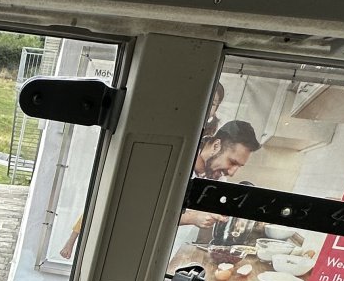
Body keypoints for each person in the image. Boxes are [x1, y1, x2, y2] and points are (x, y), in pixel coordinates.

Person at [56, 81, 232, 261]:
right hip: (142, 192)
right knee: (101, 205)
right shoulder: (168, 126)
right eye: (202, 100)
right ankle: (74, 242)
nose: (205, 107)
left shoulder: (210, 139)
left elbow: (200, 172)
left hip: (166, 221)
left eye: (212, 103)